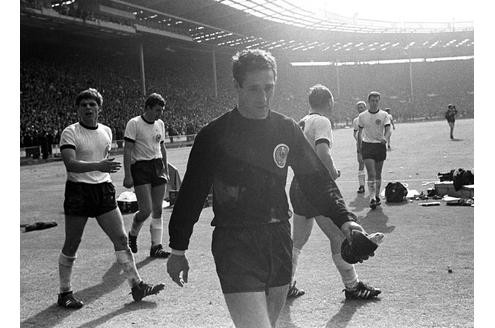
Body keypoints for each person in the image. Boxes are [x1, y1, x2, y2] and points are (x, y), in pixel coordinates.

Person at [166, 49, 369, 328]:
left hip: (278, 239)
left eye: (269, 88)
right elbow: (192, 193)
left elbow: (316, 179)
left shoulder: (285, 128)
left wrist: (345, 220)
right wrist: (178, 249)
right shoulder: (214, 136)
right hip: (235, 242)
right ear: (236, 86)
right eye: (253, 89)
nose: (262, 98)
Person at [57, 88, 164, 309]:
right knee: (72, 242)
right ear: (78, 109)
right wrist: (100, 165)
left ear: (99, 108)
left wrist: (102, 168)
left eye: (92, 104)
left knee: (121, 239)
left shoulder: (106, 131)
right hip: (79, 191)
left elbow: (103, 158)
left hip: (103, 189)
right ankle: (64, 292)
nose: (88, 108)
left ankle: (137, 285)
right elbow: (71, 163)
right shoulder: (70, 132)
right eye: (84, 104)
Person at [287, 85, 381, 300]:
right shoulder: (322, 121)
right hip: (315, 186)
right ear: (329, 102)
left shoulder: (302, 121)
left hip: (298, 185)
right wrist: (332, 172)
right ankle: (352, 286)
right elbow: (322, 150)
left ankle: (286, 285)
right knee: (339, 235)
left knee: (297, 242)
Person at [123, 93, 171, 258]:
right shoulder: (134, 123)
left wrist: (165, 169)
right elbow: (128, 150)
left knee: (158, 209)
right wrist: (127, 175)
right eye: (157, 110)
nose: (160, 113)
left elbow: (162, 147)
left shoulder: (160, 124)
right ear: (148, 108)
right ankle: (133, 234)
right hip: (141, 167)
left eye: (162, 110)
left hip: (157, 166)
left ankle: (156, 246)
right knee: (145, 210)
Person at [358, 91, 391, 209]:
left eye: (377, 101)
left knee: (378, 173)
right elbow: (359, 132)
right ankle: (372, 198)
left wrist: (385, 138)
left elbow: (388, 128)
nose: (374, 103)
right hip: (367, 146)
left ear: (379, 101)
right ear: (369, 101)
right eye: (372, 100)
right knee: (371, 173)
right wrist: (359, 149)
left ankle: (377, 195)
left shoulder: (384, 115)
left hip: (379, 146)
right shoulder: (362, 116)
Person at [353, 101, 367, 194]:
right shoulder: (355, 120)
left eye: (362, 107)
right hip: (360, 145)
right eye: (359, 107)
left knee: (371, 166)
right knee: (361, 164)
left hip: (371, 144)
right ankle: (361, 186)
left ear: (365, 108)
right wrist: (358, 140)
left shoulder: (370, 118)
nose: (360, 109)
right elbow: (355, 132)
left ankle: (372, 186)